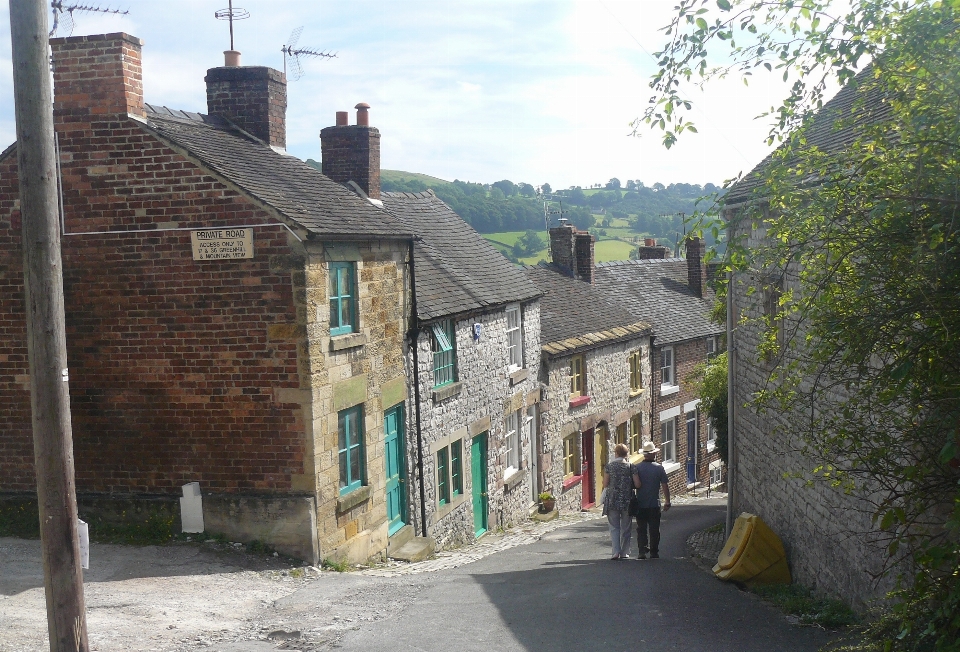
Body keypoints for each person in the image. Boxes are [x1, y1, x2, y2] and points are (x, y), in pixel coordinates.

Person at [632, 440, 671, 559]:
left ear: (644, 454)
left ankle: (642, 551)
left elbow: (634, 484)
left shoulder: (637, 468)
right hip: (654, 504)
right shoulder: (659, 468)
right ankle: (654, 551)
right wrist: (667, 501)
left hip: (640, 503)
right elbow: (665, 485)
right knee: (654, 529)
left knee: (641, 528)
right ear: (653, 454)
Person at [602, 443, 635, 559]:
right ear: (626, 454)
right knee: (626, 527)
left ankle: (615, 552)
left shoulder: (609, 467)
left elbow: (605, 484)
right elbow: (638, 483)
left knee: (614, 527)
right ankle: (625, 552)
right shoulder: (631, 467)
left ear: (616, 453)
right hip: (627, 500)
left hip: (612, 499)